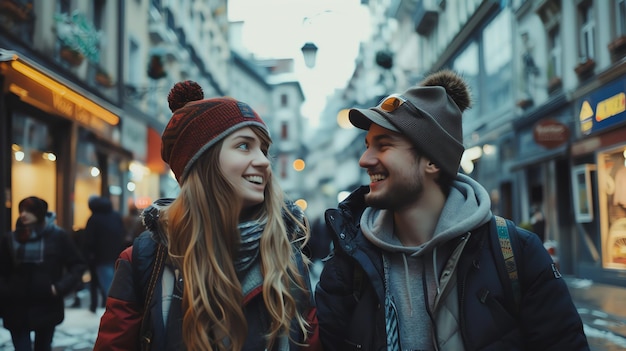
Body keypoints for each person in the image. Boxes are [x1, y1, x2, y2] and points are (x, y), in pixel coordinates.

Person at [315, 70, 589, 350]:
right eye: (367, 146)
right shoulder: (350, 263)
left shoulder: (515, 253)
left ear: (432, 161)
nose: (364, 160)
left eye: (383, 146)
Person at [94, 80, 320, 350]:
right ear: (203, 162)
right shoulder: (145, 260)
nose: (262, 161)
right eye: (244, 146)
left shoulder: (287, 256)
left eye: (263, 149)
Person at [0, 196, 87, 351]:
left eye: (29, 211)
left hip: (46, 304)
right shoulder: (11, 238)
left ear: (40, 213)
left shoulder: (58, 236)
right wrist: (6, 290)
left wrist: (58, 288)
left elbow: (77, 265)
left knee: (43, 347)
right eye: (21, 210)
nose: (23, 214)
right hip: (16, 306)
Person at [85, 195, 126, 312]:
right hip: (117, 255)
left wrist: (88, 255)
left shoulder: (94, 219)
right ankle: (113, 308)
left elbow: (89, 240)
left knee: (108, 286)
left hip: (100, 257)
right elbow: (122, 234)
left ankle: (113, 310)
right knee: (115, 284)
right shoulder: (116, 216)